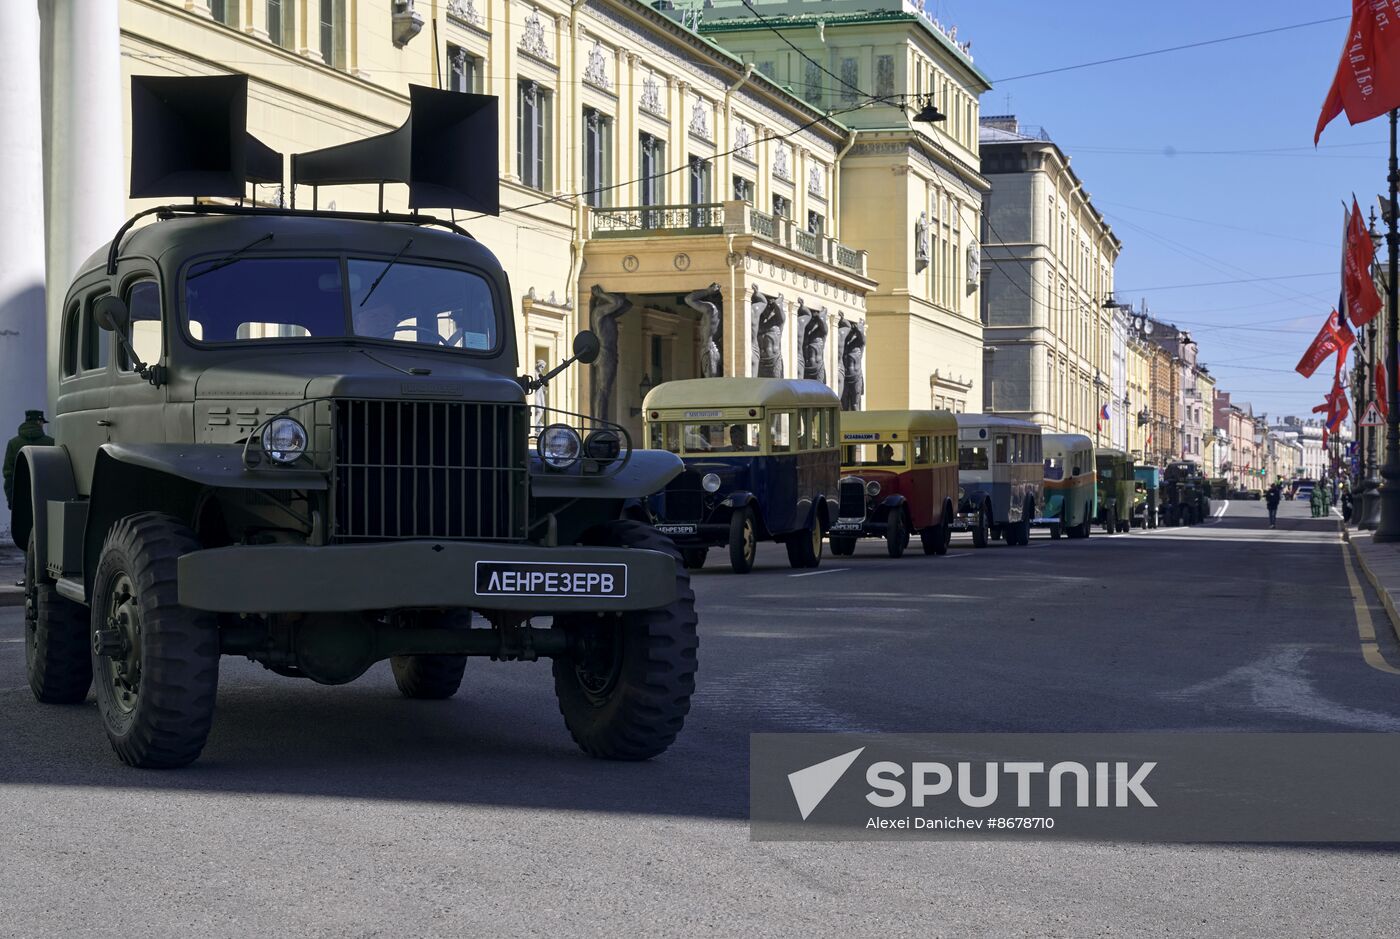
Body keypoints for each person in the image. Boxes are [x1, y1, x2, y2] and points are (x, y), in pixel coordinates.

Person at [4, 410, 53, 510]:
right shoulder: (51, 442)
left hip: (20, 499)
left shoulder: (13, 443)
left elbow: (8, 475)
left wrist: (11, 499)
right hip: (46, 499)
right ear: (39, 422)